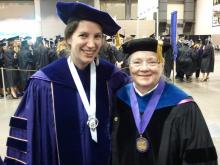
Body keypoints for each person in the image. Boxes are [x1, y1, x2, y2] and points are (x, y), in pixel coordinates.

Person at [4, 2, 129, 165]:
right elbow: (27, 135)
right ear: (69, 38)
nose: (91, 44)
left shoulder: (112, 77)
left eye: (97, 36)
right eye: (83, 35)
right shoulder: (44, 82)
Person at [111, 38, 218, 165]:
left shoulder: (184, 106)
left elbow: (199, 158)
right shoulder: (119, 98)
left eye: (152, 62)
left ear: (162, 65)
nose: (144, 68)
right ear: (129, 66)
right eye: (137, 62)